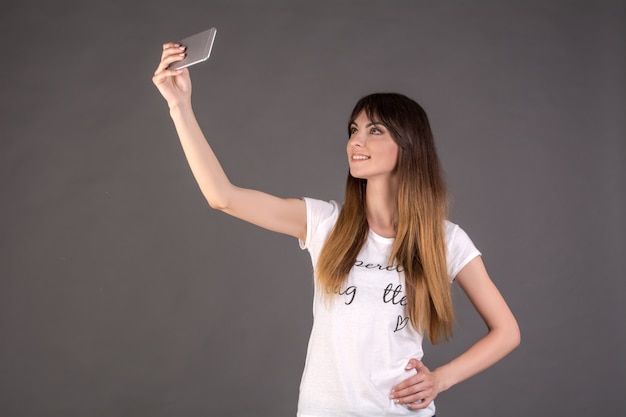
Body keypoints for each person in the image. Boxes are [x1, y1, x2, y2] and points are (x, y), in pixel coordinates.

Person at [152, 42, 520, 417]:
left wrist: (440, 379)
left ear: (409, 146)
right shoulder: (326, 224)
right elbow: (223, 197)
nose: (356, 141)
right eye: (353, 129)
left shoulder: (445, 240)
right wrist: (179, 106)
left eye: (374, 130)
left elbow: (507, 331)